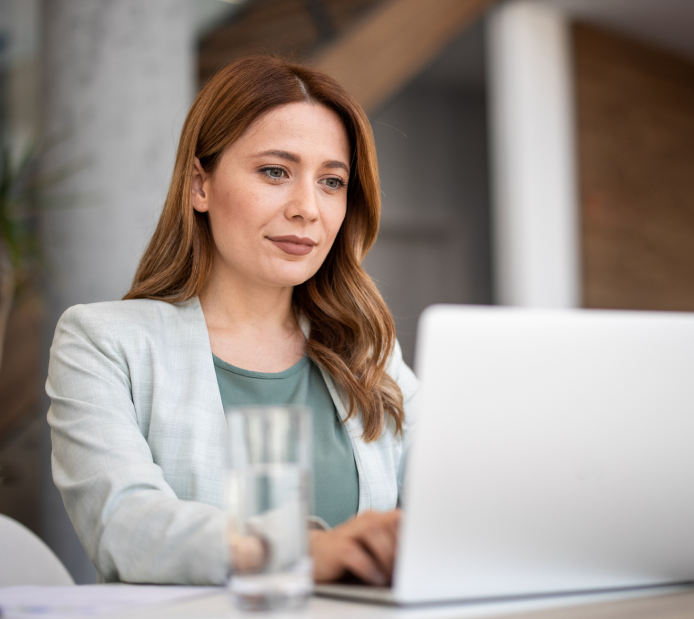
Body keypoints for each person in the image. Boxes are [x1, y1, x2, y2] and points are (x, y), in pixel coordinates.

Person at [46, 55, 419, 586]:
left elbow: (454, 500)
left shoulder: (367, 353)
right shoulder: (104, 342)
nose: (307, 208)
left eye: (332, 182)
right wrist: (307, 550)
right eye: (275, 171)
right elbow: (123, 525)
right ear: (200, 185)